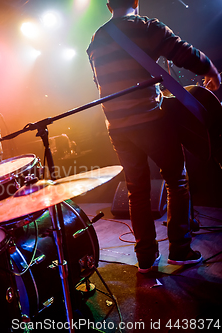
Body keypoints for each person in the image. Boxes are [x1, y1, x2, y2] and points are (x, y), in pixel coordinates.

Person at [87, 0, 221, 273]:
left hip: (117, 126)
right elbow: (185, 54)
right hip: (149, 120)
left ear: (108, 5)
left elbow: (99, 82)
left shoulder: (96, 38)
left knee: (137, 190)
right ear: (136, 1)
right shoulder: (146, 27)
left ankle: (146, 259)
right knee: (176, 179)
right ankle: (180, 251)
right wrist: (211, 70)